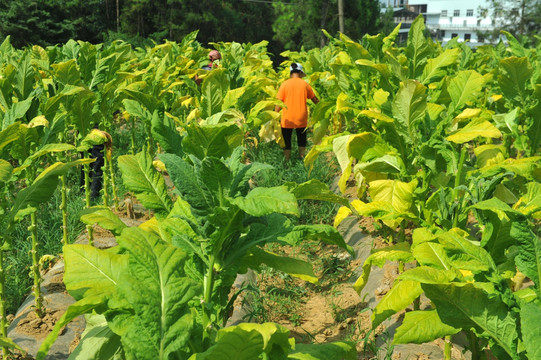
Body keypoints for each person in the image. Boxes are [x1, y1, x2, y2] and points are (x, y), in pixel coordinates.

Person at [275, 62, 319, 161]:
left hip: (287, 118)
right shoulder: (305, 84)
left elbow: (279, 102)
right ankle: (301, 158)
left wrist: (274, 115)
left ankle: (286, 160)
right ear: (300, 72)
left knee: (287, 139)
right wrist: (323, 108)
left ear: (291, 73)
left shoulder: (284, 84)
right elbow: (315, 100)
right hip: (301, 116)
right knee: (301, 138)